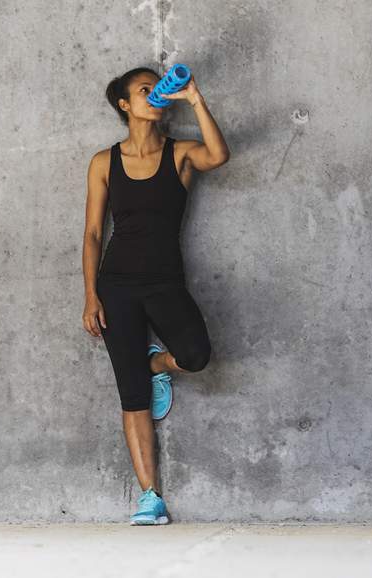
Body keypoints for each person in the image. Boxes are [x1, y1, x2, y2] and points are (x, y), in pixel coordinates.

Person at [81, 66, 230, 525]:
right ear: (125, 105)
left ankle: (154, 363)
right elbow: (91, 234)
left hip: (166, 281)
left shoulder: (180, 154)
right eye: (145, 89)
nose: (154, 93)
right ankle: (150, 498)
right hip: (117, 285)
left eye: (157, 87)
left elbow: (219, 156)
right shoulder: (104, 162)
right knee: (132, 396)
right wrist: (90, 295)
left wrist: (194, 99)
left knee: (196, 355)